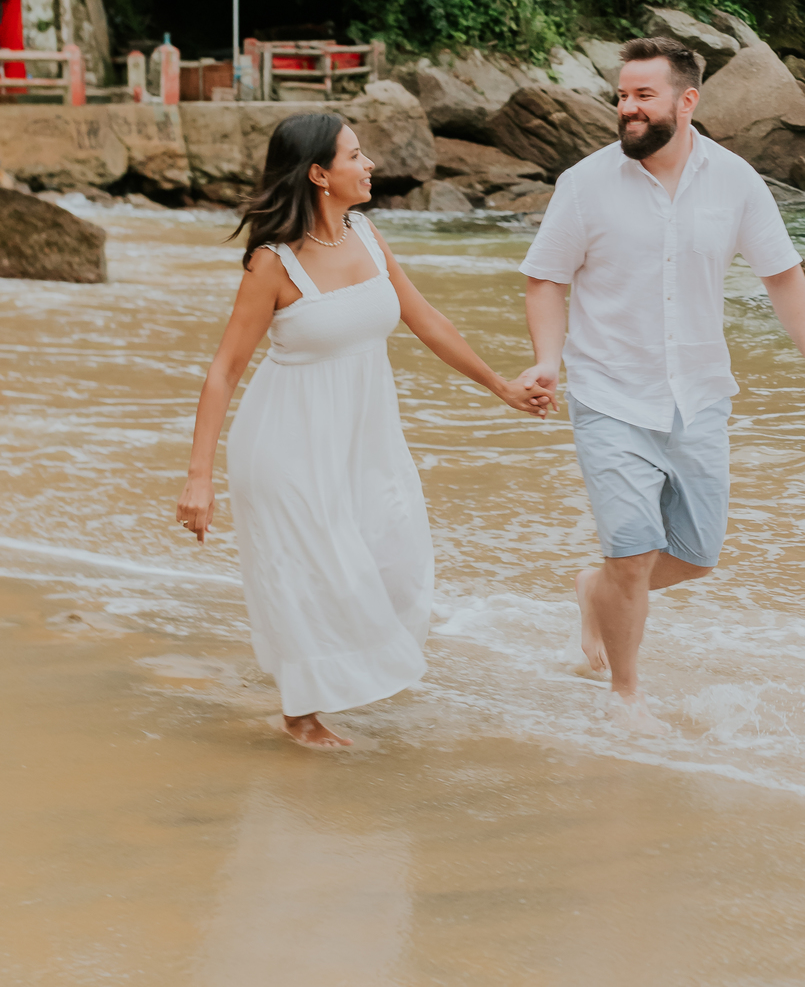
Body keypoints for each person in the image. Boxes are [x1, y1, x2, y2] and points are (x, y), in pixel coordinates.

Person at [174, 111, 554, 749]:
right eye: (356, 154)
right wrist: (198, 479)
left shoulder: (369, 236)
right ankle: (302, 713)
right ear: (320, 174)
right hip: (285, 444)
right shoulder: (273, 263)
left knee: (395, 560)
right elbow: (224, 371)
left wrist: (501, 386)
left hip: (363, 441)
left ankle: (337, 681)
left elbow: (425, 318)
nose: (370, 163)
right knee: (310, 573)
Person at [516, 36, 805, 735]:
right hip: (608, 393)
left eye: (643, 96)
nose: (627, 109)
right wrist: (549, 359)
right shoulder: (585, 183)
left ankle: (594, 590)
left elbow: (781, 274)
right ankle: (625, 695)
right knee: (632, 554)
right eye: (621, 96)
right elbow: (545, 279)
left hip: (698, 394)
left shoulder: (735, 182)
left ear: (686, 101)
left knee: (695, 556)